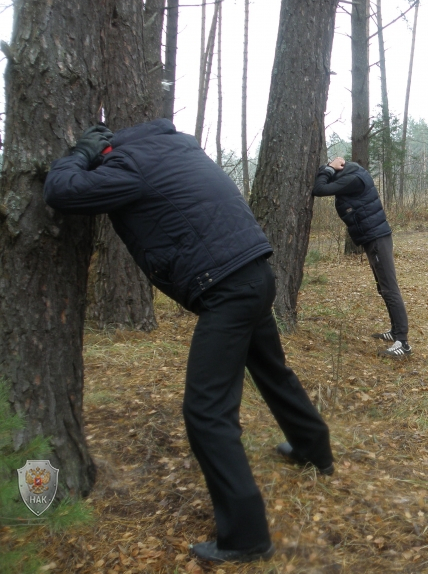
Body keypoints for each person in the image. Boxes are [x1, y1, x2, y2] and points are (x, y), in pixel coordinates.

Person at [44, 120, 334, 564]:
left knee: (206, 411)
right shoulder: (176, 149)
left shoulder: (128, 164)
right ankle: (314, 449)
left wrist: (79, 154)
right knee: (272, 369)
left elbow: (61, 193)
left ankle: (245, 536)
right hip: (256, 272)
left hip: (227, 288)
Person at [313, 157, 412, 359]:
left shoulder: (353, 180)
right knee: (383, 287)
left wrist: (328, 170)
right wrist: (330, 169)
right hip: (374, 237)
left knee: (389, 288)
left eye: (335, 168)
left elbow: (319, 189)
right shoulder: (354, 175)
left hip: (376, 238)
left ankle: (403, 342)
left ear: (341, 169)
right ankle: (395, 332)